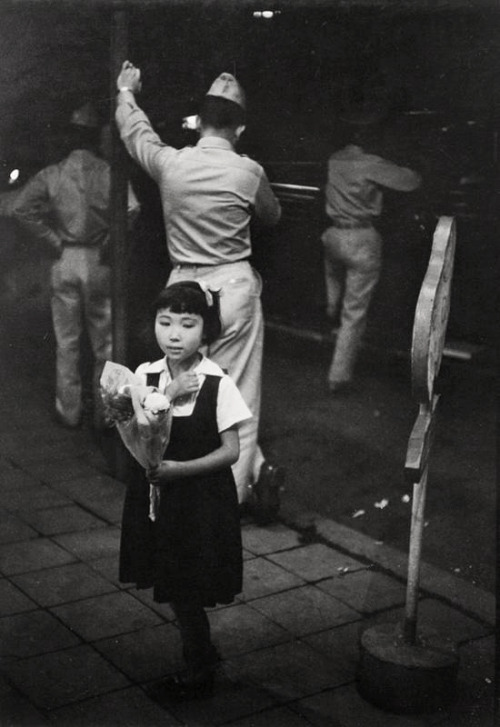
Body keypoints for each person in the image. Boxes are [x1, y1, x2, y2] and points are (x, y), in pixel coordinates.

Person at [114, 61, 283, 514]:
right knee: (237, 399)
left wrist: (127, 92)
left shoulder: (172, 164)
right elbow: (272, 217)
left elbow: (137, 134)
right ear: (239, 127)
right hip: (234, 286)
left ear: (199, 122)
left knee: (184, 392)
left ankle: (182, 491)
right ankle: (230, 499)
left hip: (184, 290)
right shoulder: (249, 171)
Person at [119, 281, 251, 701]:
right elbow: (130, 423)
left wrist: (181, 470)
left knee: (186, 587)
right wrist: (164, 395)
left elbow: (231, 452)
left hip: (198, 502)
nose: (174, 334)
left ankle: (198, 668)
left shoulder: (218, 383)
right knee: (174, 583)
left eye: (188, 324)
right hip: (158, 500)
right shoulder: (145, 375)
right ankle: (201, 653)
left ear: (206, 331)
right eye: (165, 322)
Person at [11, 104, 140, 429]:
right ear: (96, 137)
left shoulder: (53, 173)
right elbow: (133, 209)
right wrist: (111, 241)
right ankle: (106, 414)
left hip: (66, 257)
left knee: (66, 341)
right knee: (105, 342)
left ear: (69, 137)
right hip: (98, 258)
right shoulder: (110, 172)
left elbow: (21, 209)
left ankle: (68, 411)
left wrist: (54, 240)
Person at [322, 126, 421, 394]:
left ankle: (329, 308)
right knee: (354, 312)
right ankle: (338, 376)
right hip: (360, 238)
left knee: (334, 285)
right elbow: (410, 181)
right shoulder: (370, 163)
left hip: (332, 235)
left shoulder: (335, 158)